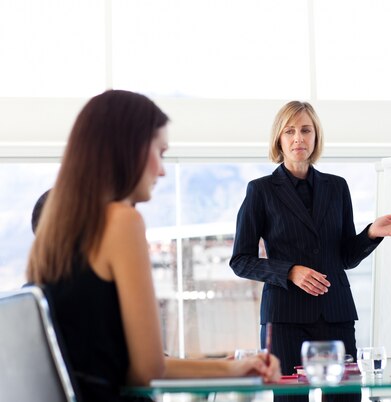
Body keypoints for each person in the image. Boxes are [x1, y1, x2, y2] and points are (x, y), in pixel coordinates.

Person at [26, 90, 281, 402]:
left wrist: (236, 368)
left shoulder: (54, 235)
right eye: (159, 152)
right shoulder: (122, 220)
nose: (161, 170)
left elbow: (131, 367)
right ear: (128, 148)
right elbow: (148, 370)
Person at [229, 101, 391, 379]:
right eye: (289, 131)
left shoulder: (337, 186)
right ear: (278, 139)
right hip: (285, 318)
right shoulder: (260, 191)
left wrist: (370, 233)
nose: (298, 138)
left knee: (345, 397)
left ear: (315, 136)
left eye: (306, 130)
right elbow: (240, 261)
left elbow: (345, 257)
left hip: (336, 313)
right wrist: (290, 271)